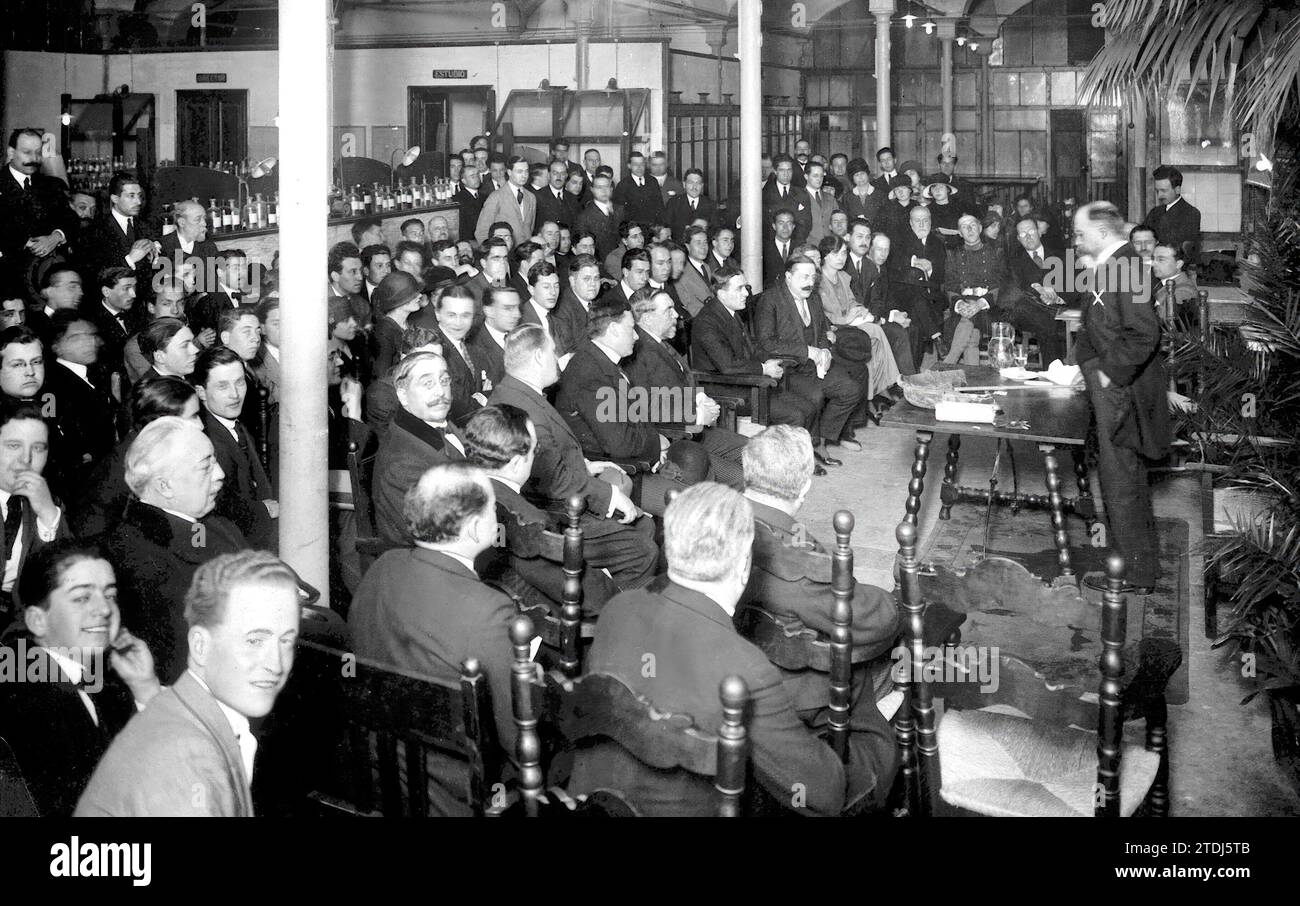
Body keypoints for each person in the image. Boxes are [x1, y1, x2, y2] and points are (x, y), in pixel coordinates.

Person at [568, 481, 880, 816]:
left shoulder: (619, 609)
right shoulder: (746, 668)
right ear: (744, 563)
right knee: (867, 755)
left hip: (594, 806)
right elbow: (824, 794)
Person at [738, 425, 901, 793]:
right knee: (904, 633)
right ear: (806, 486)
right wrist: (892, 601)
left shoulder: (714, 520)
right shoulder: (802, 564)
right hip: (801, 703)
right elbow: (868, 619)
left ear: (746, 470)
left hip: (732, 679)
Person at [76, 551, 300, 816]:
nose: (276, 664)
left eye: (286, 642)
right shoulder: (186, 762)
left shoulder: (195, 713)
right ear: (200, 645)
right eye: (254, 640)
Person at [348, 462, 517, 815]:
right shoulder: (490, 611)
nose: (497, 516)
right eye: (492, 509)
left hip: (381, 782)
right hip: (459, 797)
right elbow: (516, 738)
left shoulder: (382, 567)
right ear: (474, 528)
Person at [487, 324, 657, 589]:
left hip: (560, 500)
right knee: (644, 549)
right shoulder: (522, 408)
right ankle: (610, 612)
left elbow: (548, 461)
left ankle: (607, 592)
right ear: (539, 357)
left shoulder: (518, 392)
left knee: (644, 527)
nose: (557, 359)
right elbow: (553, 483)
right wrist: (610, 496)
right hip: (556, 515)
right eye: (553, 351)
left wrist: (585, 466)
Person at [0, 540, 161, 815]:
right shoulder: (20, 700)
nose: (105, 609)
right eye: (82, 598)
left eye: (110, 595)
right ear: (38, 620)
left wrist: (145, 687)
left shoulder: (102, 680)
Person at [1072, 201, 1169, 595]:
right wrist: (1083, 367)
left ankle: (1135, 573)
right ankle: (1132, 562)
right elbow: (1100, 325)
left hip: (1121, 390)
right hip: (1107, 383)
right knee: (1121, 478)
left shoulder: (1125, 267)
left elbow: (1145, 334)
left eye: (1080, 232)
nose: (1076, 240)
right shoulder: (1110, 264)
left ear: (1101, 232)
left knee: (1121, 479)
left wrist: (1107, 374)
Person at [464, 404, 618, 617]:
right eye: (535, 450)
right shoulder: (530, 521)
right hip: (545, 621)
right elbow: (592, 597)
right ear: (517, 463)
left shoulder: (463, 495)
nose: (537, 456)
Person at [556, 298, 679, 515]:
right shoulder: (590, 373)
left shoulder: (602, 361)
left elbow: (635, 415)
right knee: (700, 507)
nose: (636, 335)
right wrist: (655, 443)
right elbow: (620, 443)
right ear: (613, 330)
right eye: (631, 328)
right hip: (620, 473)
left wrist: (654, 440)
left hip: (636, 461)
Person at [626, 287, 746, 487]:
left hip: (692, 429)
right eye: (668, 310)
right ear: (646, 319)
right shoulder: (637, 352)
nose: (676, 314)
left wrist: (700, 399)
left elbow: (681, 381)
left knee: (751, 451)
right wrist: (697, 416)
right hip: (675, 439)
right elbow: (646, 408)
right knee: (738, 476)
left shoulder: (660, 343)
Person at [689, 265, 821, 440]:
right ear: (721, 293)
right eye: (740, 288)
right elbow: (727, 365)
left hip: (746, 381)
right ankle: (785, 463)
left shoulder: (730, 312)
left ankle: (804, 457)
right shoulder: (707, 322)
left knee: (809, 408)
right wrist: (763, 369)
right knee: (794, 415)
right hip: (723, 387)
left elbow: (751, 349)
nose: (746, 293)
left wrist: (771, 360)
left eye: (746, 287)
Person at [753, 257, 862, 464]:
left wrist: (824, 350)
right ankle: (810, 448)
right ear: (788, 276)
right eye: (804, 276)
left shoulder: (812, 298)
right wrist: (806, 351)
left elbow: (821, 331)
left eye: (813, 276)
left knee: (850, 390)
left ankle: (820, 439)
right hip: (788, 370)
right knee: (815, 395)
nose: (810, 282)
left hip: (814, 366)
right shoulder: (771, 300)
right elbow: (766, 343)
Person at [69, 376, 200, 537]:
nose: (200, 425)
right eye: (193, 417)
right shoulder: (124, 472)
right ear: (162, 423)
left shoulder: (153, 447)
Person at [372, 351, 469, 544]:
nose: (441, 392)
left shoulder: (438, 424)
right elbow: (439, 535)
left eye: (444, 380)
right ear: (403, 395)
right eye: (428, 384)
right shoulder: (402, 464)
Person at [194, 345, 276, 550]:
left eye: (239, 383)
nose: (235, 395)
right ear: (201, 392)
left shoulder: (234, 424)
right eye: (222, 386)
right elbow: (211, 517)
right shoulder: (206, 441)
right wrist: (264, 511)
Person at [0, 403, 70, 619]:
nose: (26, 460)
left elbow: (63, 576)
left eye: (38, 448)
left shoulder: (47, 501)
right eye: (13, 446)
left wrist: (49, 515)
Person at [818, 234, 901, 409]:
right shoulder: (818, 281)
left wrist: (859, 308)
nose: (842, 258)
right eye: (836, 254)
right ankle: (888, 384)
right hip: (835, 328)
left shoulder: (842, 277)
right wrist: (844, 319)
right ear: (825, 256)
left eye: (843, 253)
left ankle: (875, 391)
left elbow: (851, 300)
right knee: (874, 333)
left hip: (850, 323)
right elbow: (821, 315)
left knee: (874, 338)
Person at [44, 310, 118, 487]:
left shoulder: (95, 373)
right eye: (76, 337)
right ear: (56, 345)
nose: (89, 343)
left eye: (90, 335)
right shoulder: (52, 386)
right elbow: (52, 431)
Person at [0, 128, 77, 288]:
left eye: (38, 152)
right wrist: (26, 242)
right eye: (27, 152)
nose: (34, 158)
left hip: (46, 280)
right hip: (8, 278)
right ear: (11, 152)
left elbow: (72, 220)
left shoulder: (51, 186)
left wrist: (56, 237)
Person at [1001, 216, 1068, 365]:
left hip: (1058, 310)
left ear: (1039, 232)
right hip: (1027, 312)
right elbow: (1014, 290)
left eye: (1031, 231)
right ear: (1018, 239)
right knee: (1040, 319)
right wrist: (1040, 292)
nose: (1028, 236)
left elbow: (1071, 286)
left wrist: (1058, 295)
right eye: (1023, 234)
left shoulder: (1060, 256)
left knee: (1048, 324)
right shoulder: (1013, 261)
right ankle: (1054, 369)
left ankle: (1054, 369)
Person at [942, 213, 1006, 364]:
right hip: (962, 306)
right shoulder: (953, 255)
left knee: (968, 321)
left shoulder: (995, 253)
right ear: (960, 233)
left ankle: (949, 363)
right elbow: (950, 284)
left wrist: (979, 304)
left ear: (980, 228)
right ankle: (973, 381)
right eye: (965, 227)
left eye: (973, 225)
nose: (970, 229)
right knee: (971, 338)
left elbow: (1000, 284)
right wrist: (960, 304)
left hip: (989, 308)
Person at [82, 172, 158, 292]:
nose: (138, 202)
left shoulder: (147, 227)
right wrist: (130, 259)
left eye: (139, 196)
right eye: (131, 196)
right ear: (115, 199)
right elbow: (96, 274)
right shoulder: (96, 231)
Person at [367, 270, 424, 380]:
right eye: (413, 294)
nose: (420, 296)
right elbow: (382, 376)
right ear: (399, 299)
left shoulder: (410, 323)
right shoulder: (383, 332)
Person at [1143, 164, 1202, 268]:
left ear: (1177, 189)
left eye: (1164, 191)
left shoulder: (1191, 213)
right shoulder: (1155, 212)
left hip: (1176, 270)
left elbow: (1184, 250)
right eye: (1157, 191)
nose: (1160, 195)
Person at [475, 155, 535, 245]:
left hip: (525, 252)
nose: (524, 175)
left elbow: (530, 228)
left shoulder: (531, 197)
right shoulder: (496, 196)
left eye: (526, 171)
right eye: (520, 172)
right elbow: (481, 232)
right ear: (509, 172)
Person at [471, 284, 522, 389]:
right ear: (489, 311)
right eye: (508, 308)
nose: (517, 314)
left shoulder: (521, 338)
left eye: (518, 307)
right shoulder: (474, 347)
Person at [1151, 240, 1198, 329]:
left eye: (1161, 260)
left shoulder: (1183, 291)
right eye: (1153, 259)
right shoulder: (1160, 284)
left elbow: (1164, 325)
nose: (1154, 264)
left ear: (1178, 264)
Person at [576, 173, 624, 260]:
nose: (604, 191)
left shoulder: (621, 210)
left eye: (606, 186)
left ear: (611, 189)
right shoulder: (584, 216)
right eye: (599, 187)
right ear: (592, 190)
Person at [613, 150, 664, 227]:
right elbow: (620, 213)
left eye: (642, 164)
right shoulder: (623, 185)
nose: (639, 167)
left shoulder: (652, 181)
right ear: (629, 166)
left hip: (652, 228)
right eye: (635, 164)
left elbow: (659, 207)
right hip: (633, 229)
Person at [665, 167, 716, 241]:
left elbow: (715, 230)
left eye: (698, 183)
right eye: (691, 183)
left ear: (702, 185)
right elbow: (667, 228)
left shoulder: (710, 204)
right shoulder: (673, 203)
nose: (694, 187)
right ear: (684, 184)